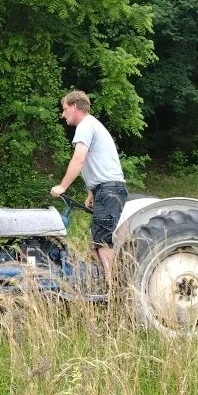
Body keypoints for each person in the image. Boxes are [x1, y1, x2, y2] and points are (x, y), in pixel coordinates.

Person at [50, 90, 128, 279]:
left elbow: (79, 160)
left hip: (109, 190)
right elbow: (97, 162)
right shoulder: (92, 125)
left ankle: (112, 289)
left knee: (102, 242)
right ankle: (105, 282)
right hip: (107, 189)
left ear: (75, 107)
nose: (63, 114)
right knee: (98, 241)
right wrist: (91, 192)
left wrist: (62, 187)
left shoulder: (85, 125)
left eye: (65, 109)